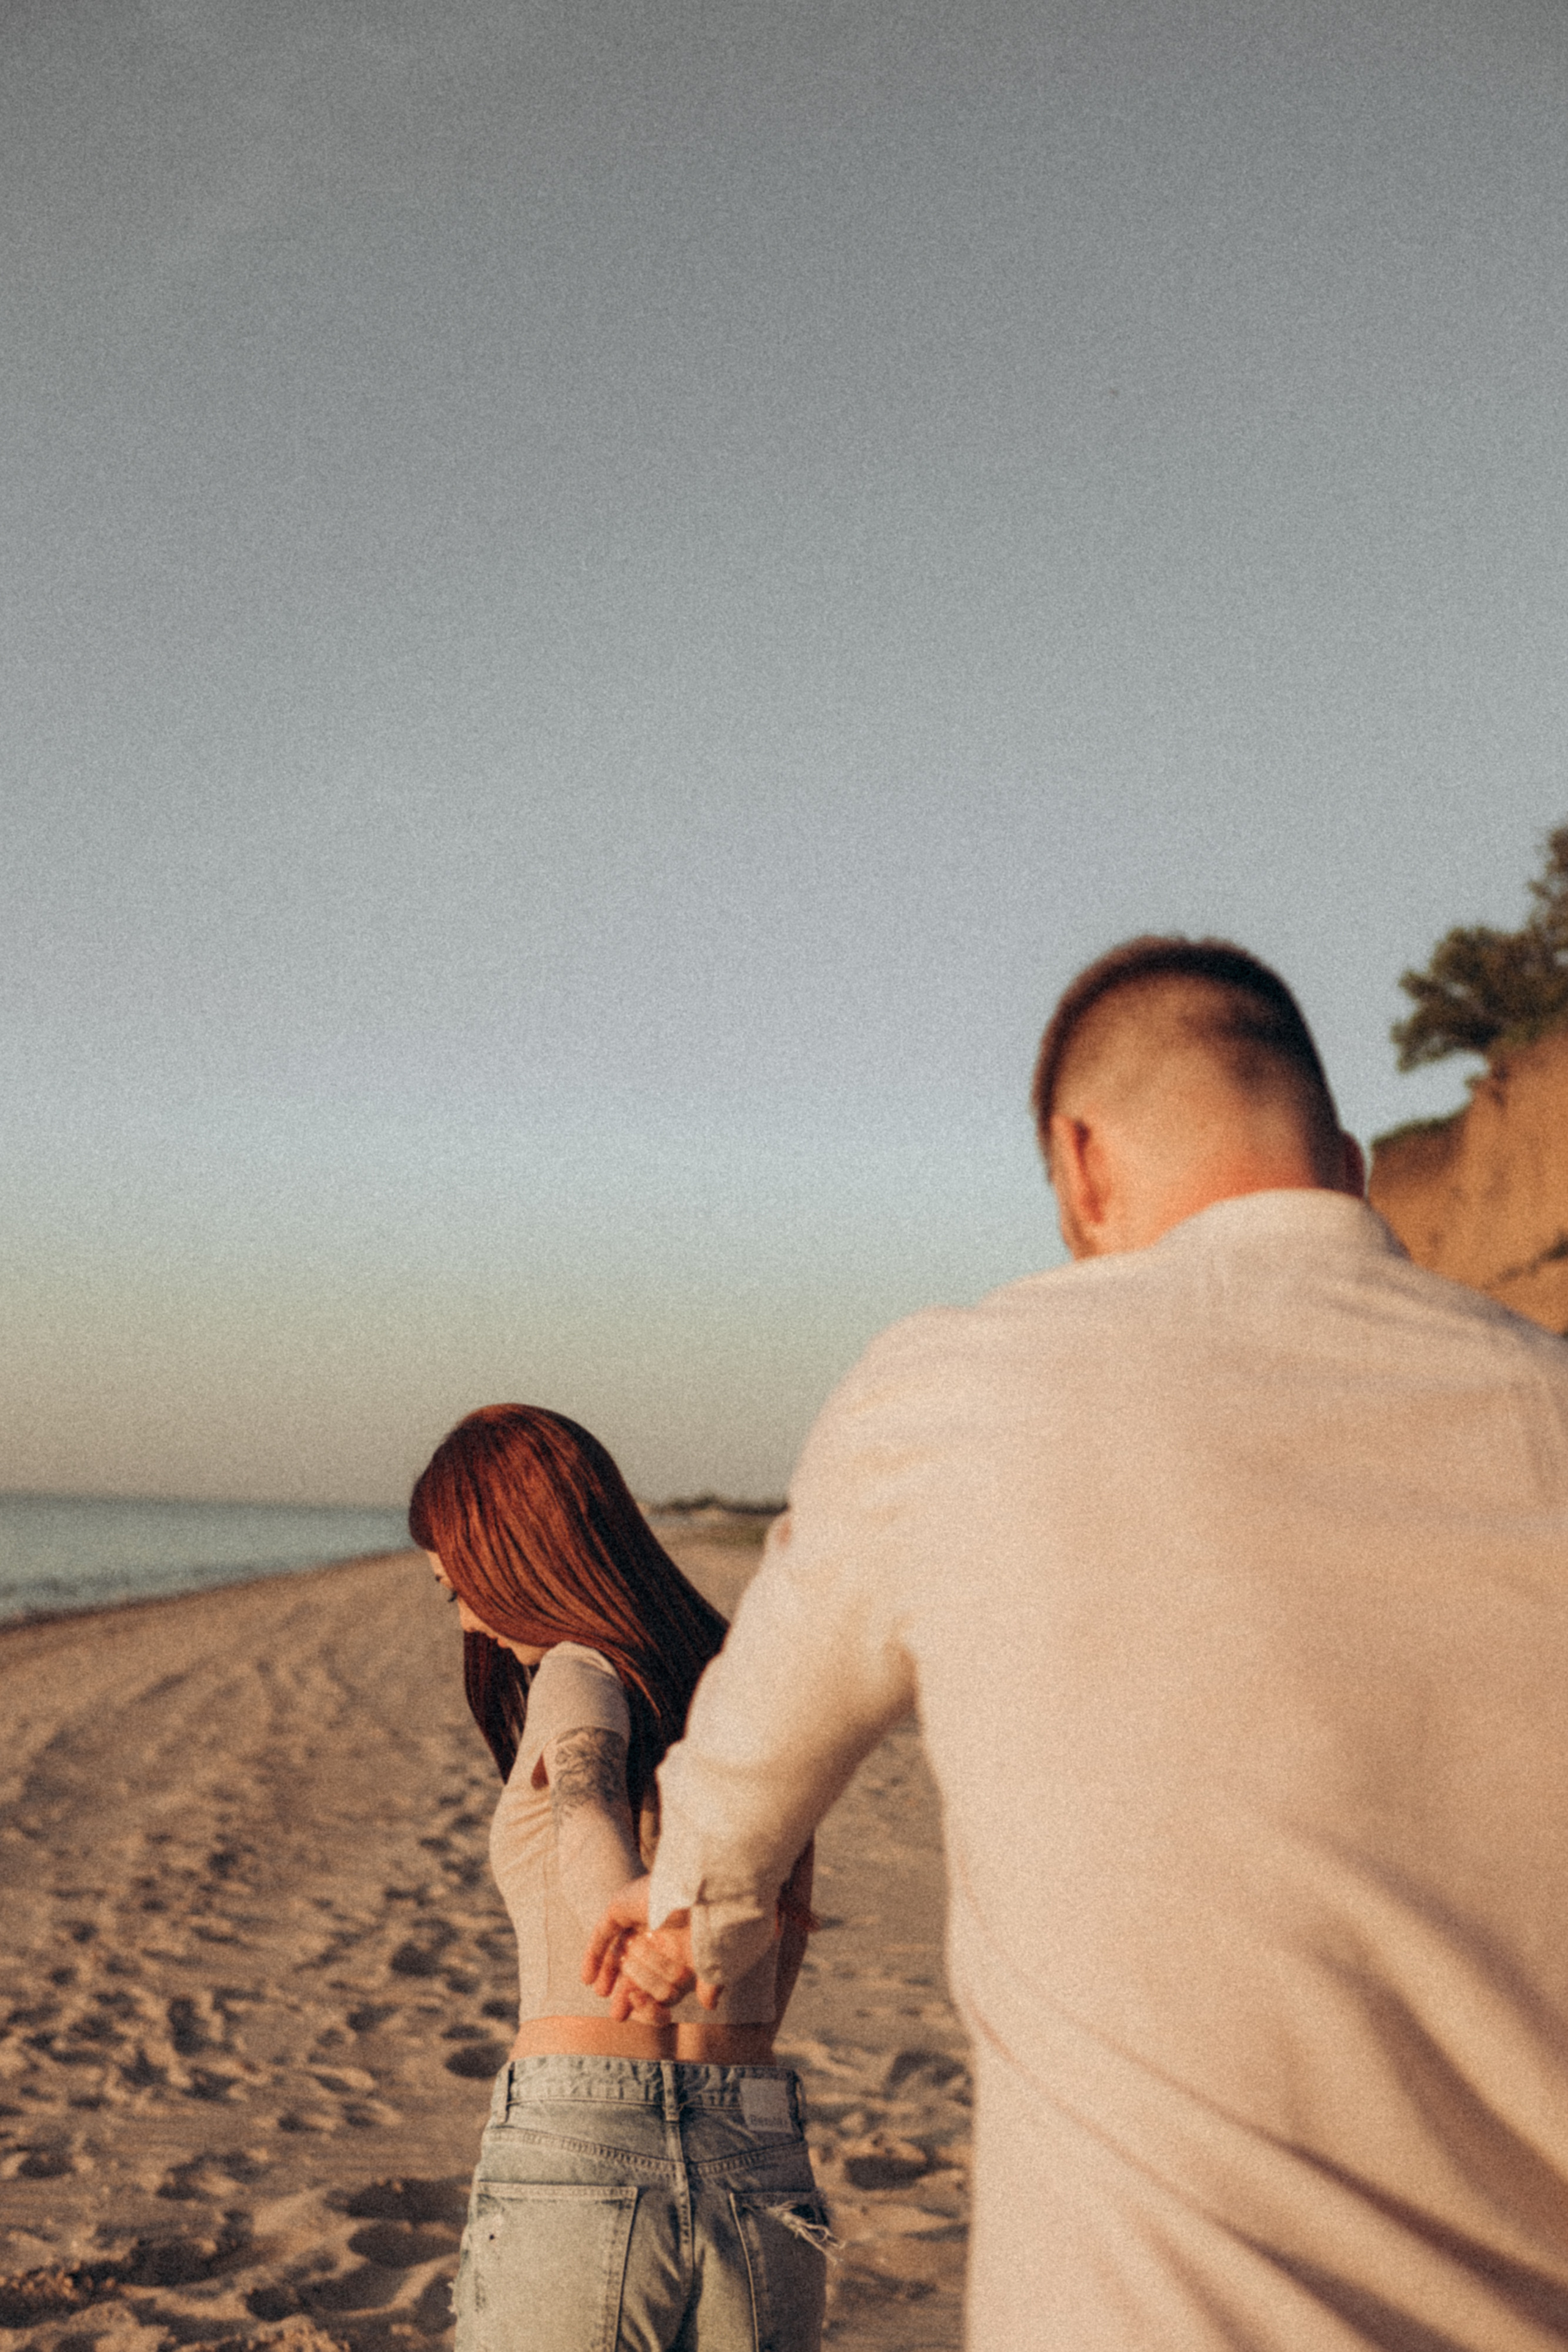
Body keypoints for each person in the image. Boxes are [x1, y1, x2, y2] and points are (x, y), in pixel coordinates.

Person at [588, 936, 1568, 2350]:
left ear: (1080, 1164)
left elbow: (746, 1767)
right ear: (1348, 1166)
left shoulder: (962, 1393)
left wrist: (681, 1908)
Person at [410, 1403, 826, 2352]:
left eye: (458, 1589)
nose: (469, 1619)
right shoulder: (736, 1688)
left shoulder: (573, 1667)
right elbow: (781, 1930)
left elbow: (586, 1799)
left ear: (513, 1558)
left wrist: (623, 1921)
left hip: (582, 2143)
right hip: (757, 2148)